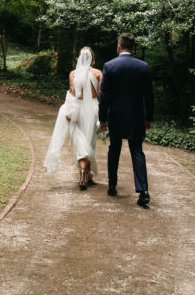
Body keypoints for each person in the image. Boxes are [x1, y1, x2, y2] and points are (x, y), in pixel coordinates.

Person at [99, 33, 154, 207]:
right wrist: (148, 117)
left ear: (119, 46)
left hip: (116, 115)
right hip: (136, 115)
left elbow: (104, 96)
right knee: (137, 150)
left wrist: (103, 119)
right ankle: (143, 190)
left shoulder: (110, 66)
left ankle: (112, 185)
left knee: (114, 149)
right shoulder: (143, 67)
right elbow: (149, 96)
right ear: (133, 47)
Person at [44, 47, 103, 190]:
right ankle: (88, 176)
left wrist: (69, 111)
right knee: (90, 142)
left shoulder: (73, 74)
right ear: (92, 59)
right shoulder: (98, 73)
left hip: (77, 110)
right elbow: (101, 92)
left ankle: (83, 173)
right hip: (93, 110)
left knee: (79, 142)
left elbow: (72, 93)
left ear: (79, 58)